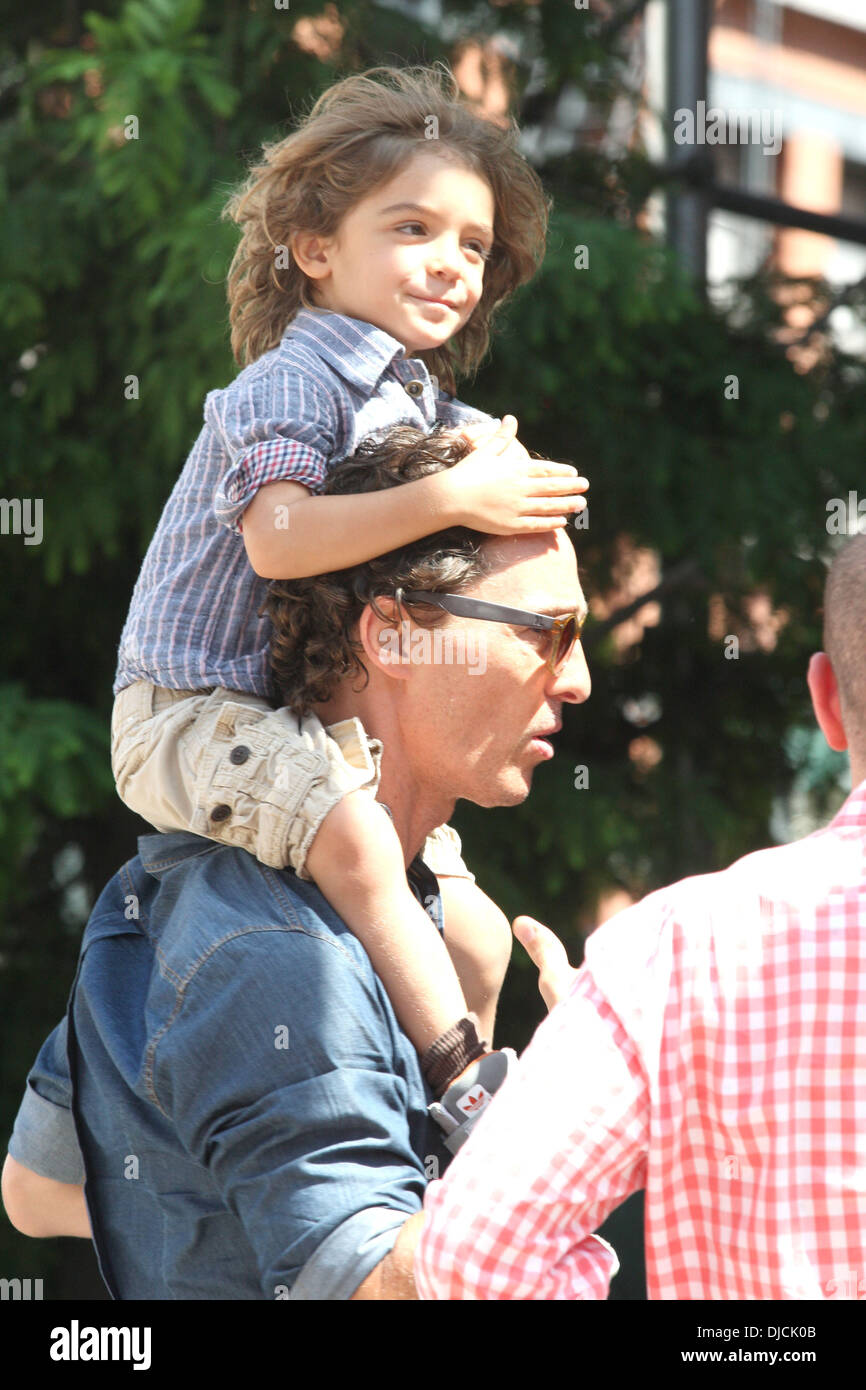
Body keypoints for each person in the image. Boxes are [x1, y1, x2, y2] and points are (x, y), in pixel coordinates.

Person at [3, 426, 612, 1300]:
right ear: (395, 635)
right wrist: (568, 1125)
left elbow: (42, 1186)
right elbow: (375, 1287)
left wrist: (224, 1213)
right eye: (547, 633)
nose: (578, 679)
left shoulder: (181, 890)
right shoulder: (284, 960)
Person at [109, 62, 587, 1129]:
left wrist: (492, 481)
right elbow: (279, 542)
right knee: (362, 844)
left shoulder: (421, 400)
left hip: (296, 715)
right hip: (188, 709)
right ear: (316, 249)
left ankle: (442, 1135)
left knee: (466, 922)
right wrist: (453, 488)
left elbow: (448, 530)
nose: (451, 263)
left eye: (472, 246)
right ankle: (459, 1079)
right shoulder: (292, 381)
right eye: (412, 228)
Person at [414, 533, 866, 1301]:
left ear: (825, 700)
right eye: (540, 630)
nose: (576, 681)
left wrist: (628, 1037)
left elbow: (469, 1262)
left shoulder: (674, 954)